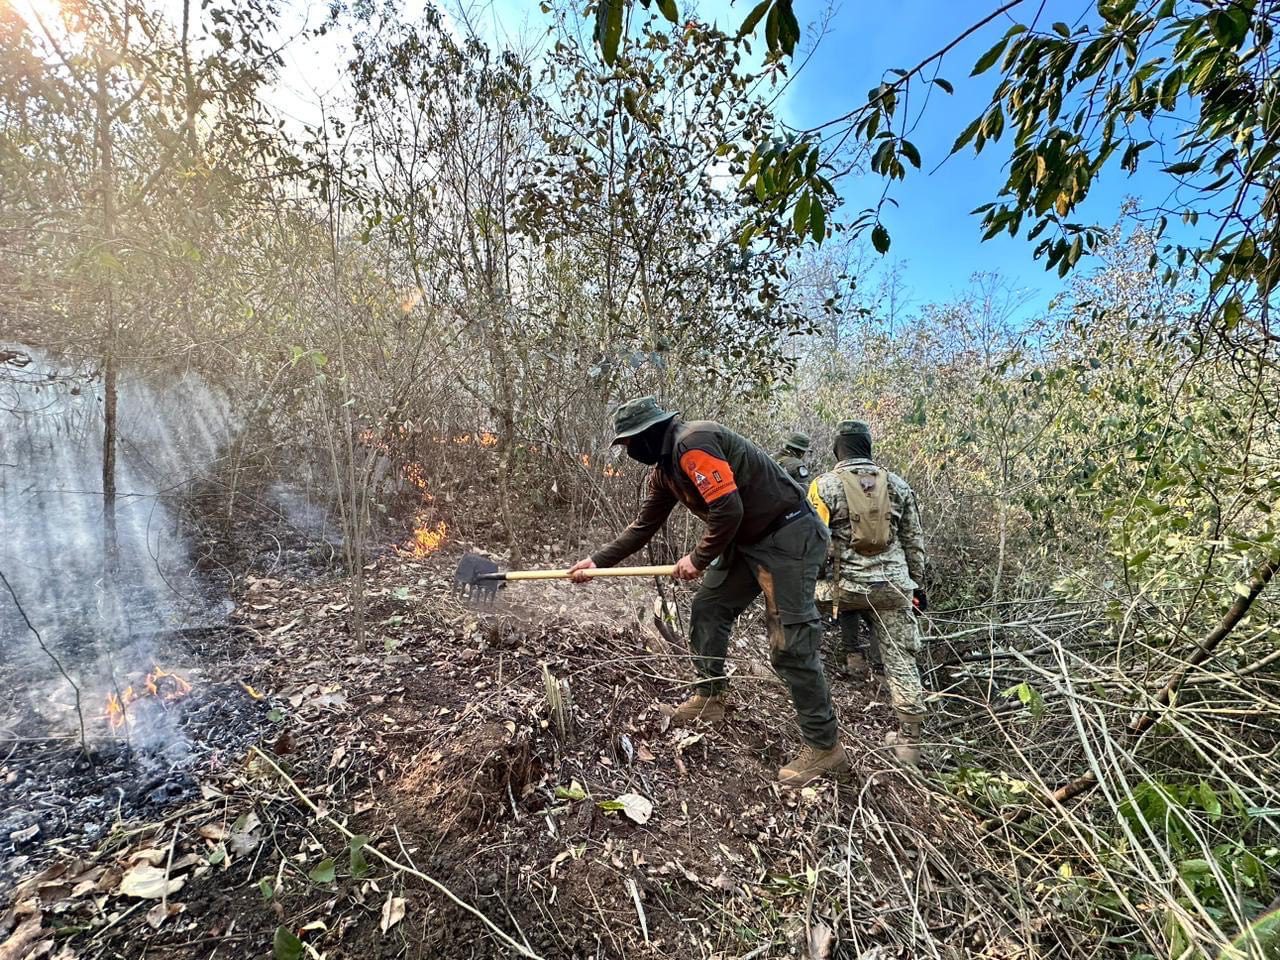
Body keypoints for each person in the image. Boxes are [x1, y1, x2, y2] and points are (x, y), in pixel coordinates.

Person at [568, 396, 849, 787]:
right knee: (709, 608)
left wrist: (698, 558)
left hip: (788, 537)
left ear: (650, 433)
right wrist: (597, 562)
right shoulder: (666, 470)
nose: (629, 450)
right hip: (748, 541)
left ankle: (825, 747)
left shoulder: (692, 444)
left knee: (790, 642)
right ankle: (710, 696)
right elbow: (644, 525)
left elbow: (728, 509)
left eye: (631, 441)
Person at [807, 420, 930, 765]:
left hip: (842, 590)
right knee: (902, 659)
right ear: (869, 448)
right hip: (892, 588)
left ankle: (791, 677)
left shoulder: (824, 485)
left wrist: (810, 579)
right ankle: (909, 742)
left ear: (838, 451)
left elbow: (812, 541)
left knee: (788, 604)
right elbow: (914, 542)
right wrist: (916, 587)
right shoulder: (899, 485)